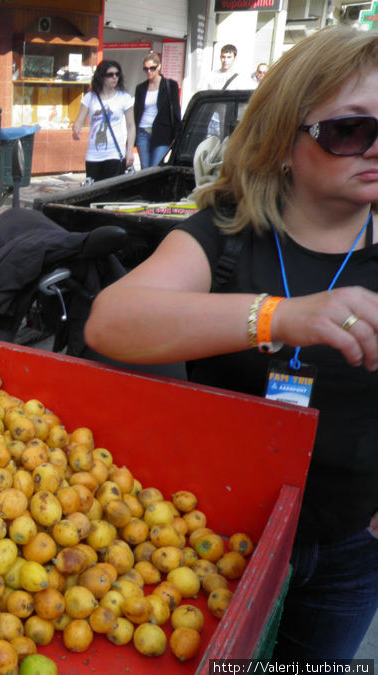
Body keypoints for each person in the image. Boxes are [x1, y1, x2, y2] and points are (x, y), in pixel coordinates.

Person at [84, 26, 378, 660]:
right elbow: (111, 320)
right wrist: (279, 317)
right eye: (350, 131)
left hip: (352, 546)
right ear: (282, 139)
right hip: (213, 537)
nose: (374, 149)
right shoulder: (223, 235)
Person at [72, 60, 135, 182]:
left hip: (115, 153)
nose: (114, 77)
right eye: (110, 74)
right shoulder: (90, 97)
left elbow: (131, 126)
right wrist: (76, 129)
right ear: (101, 76)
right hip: (94, 154)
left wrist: (130, 151)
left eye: (117, 74)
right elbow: (80, 119)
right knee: (94, 191)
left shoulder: (124, 98)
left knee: (112, 192)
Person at [133, 52, 182, 169]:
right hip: (143, 131)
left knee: (155, 167)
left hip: (162, 132)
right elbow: (136, 112)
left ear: (159, 66)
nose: (149, 71)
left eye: (152, 68)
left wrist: (177, 134)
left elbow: (175, 110)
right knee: (145, 168)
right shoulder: (140, 88)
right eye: (146, 69)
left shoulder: (171, 85)